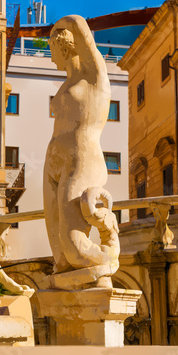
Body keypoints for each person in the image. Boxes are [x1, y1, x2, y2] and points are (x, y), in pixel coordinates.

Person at [43, 15, 120, 284]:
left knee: (75, 250)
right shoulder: (67, 83)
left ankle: (110, 251)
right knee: (61, 258)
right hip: (54, 164)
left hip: (82, 161)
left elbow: (79, 25)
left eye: (52, 50)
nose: (52, 60)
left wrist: (58, 25)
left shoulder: (95, 76)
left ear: (66, 47)